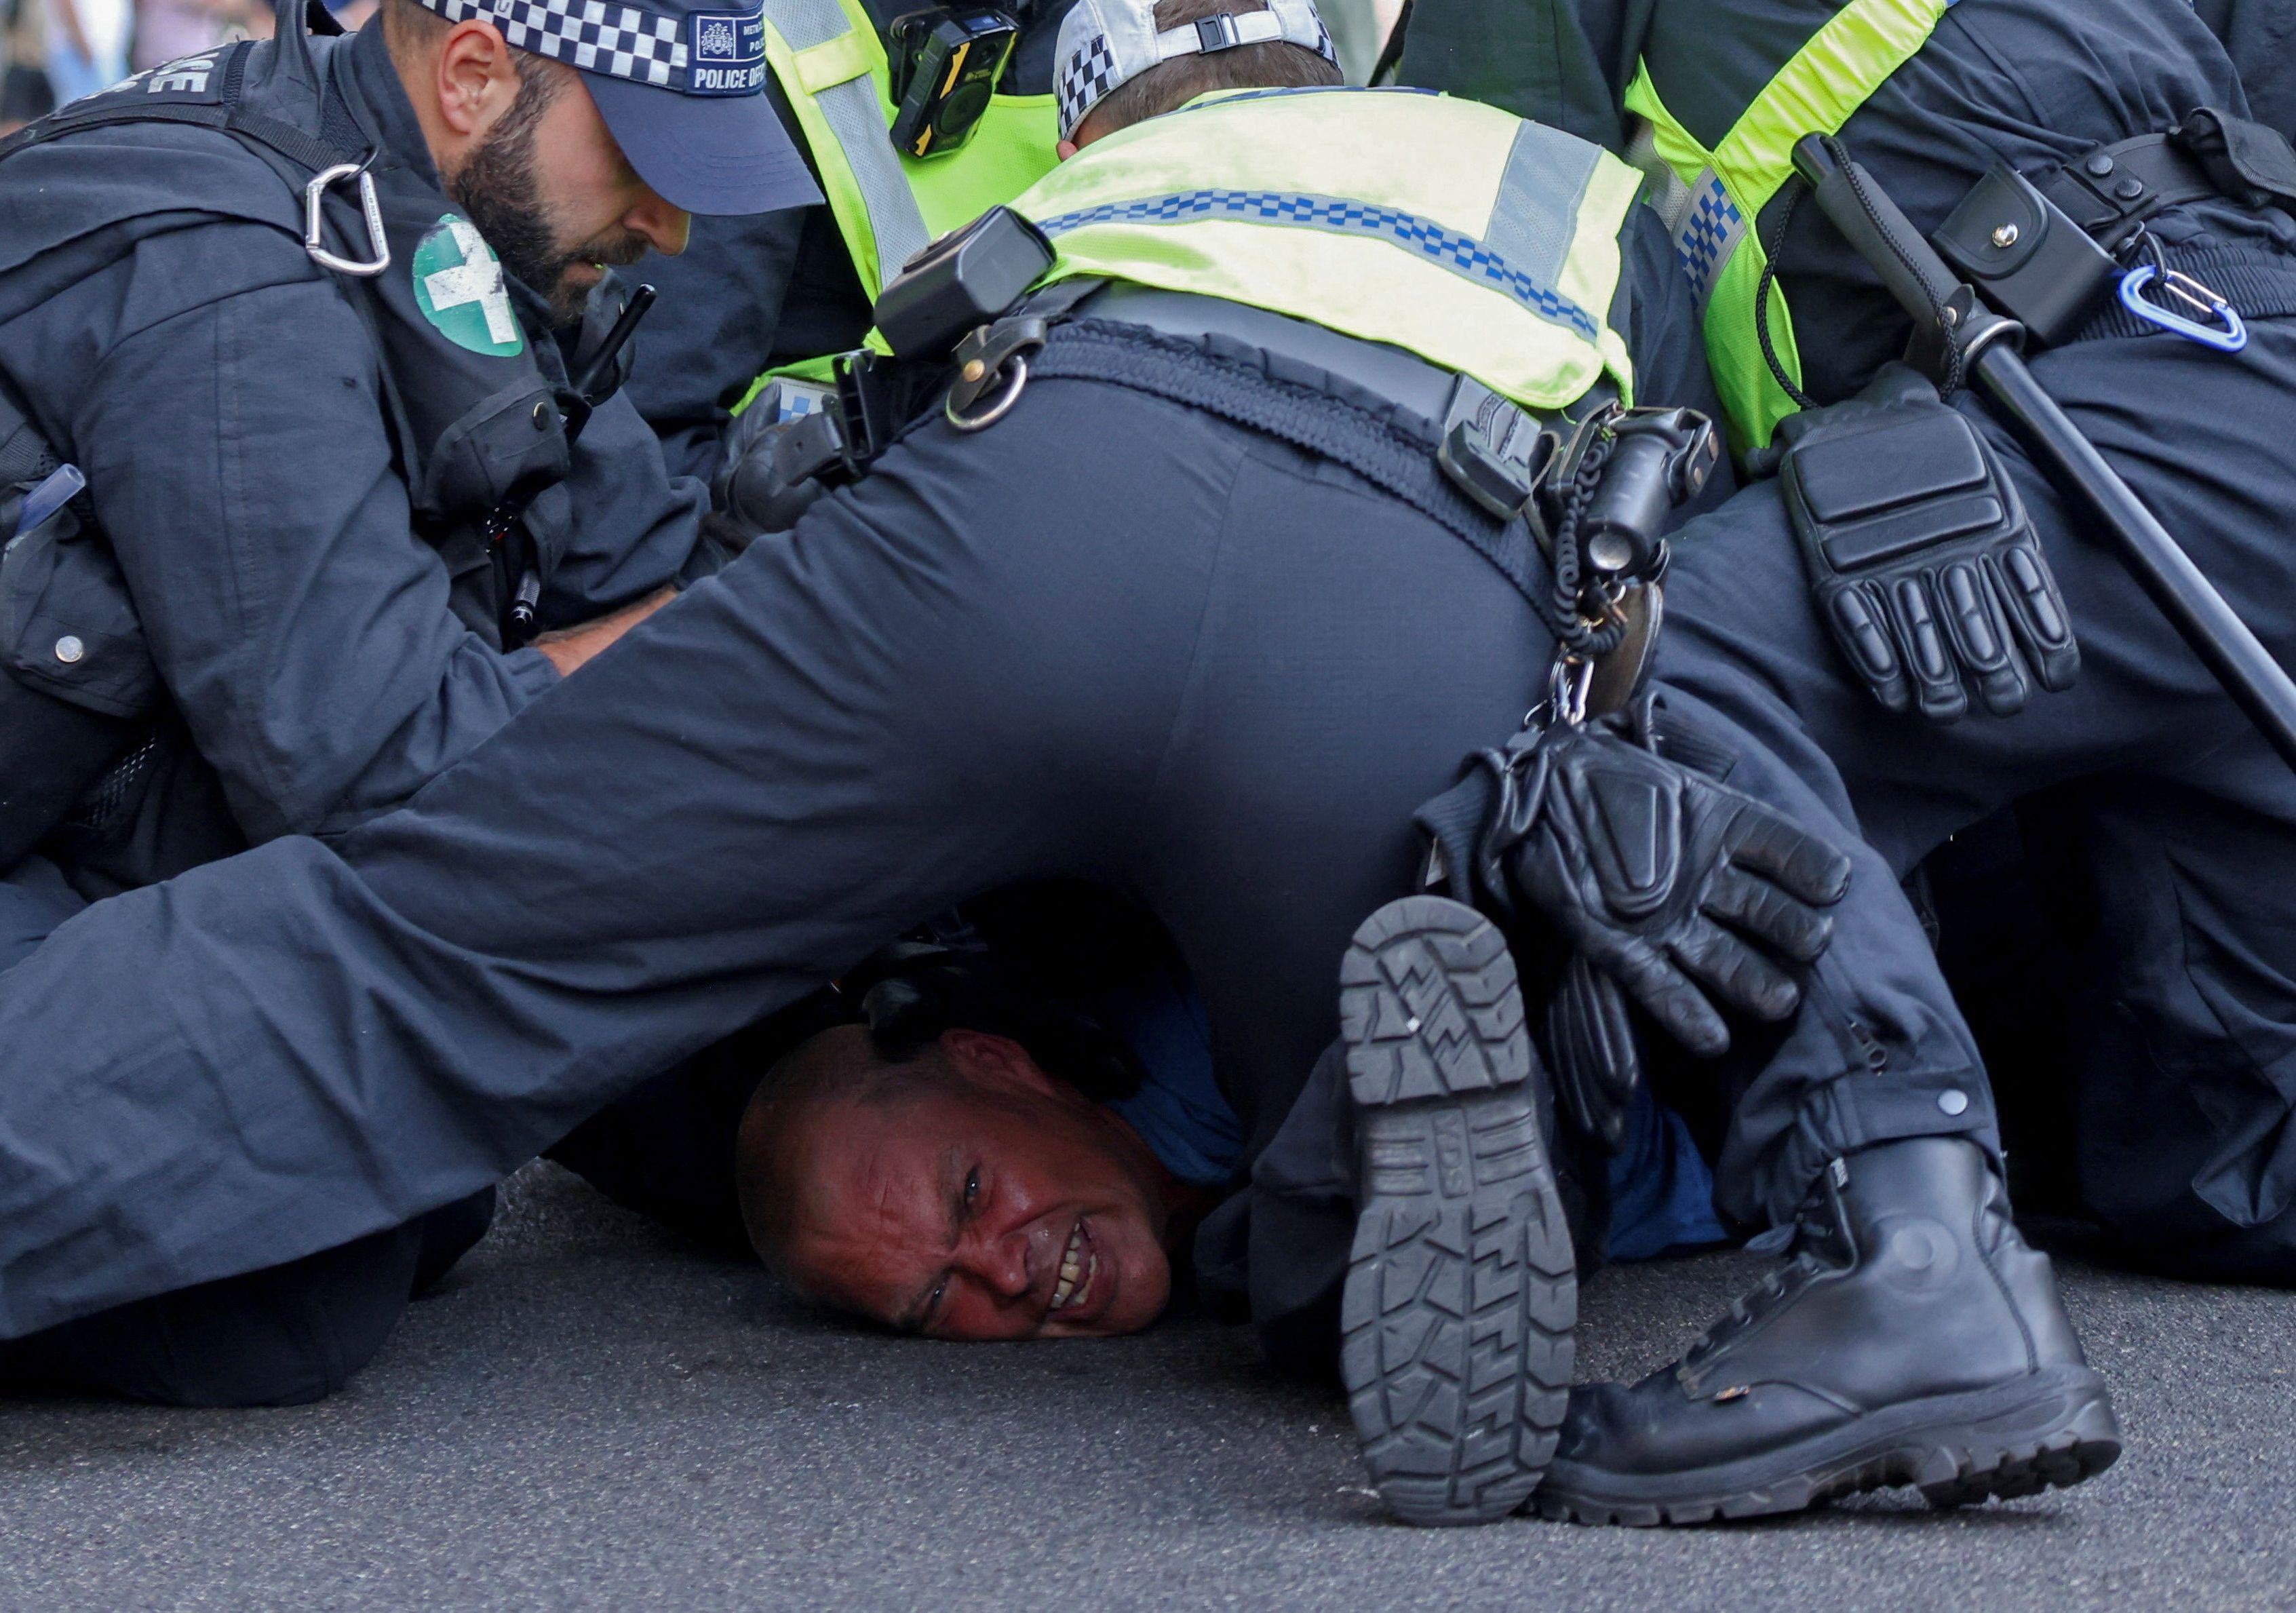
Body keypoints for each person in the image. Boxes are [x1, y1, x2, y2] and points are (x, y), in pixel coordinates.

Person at [0, 0, 2154, 1529]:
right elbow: (1704, 504)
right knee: (1489, 988)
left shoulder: (1082, 203)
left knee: (410, 966)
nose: (672, 229)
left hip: (1036, 491)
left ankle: (1375, 1170)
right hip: (1435, 556)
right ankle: (1476, 1221)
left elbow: (832, 447)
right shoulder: (1573, 186)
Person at [1390, 0, 2296, 1523]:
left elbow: (1475, 235)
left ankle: (1908, 1261)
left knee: (1643, 666)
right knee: (2218, 1154)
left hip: (2106, 387)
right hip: (2229, 384)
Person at [0, 0, 819, 1405]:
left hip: (126, 833)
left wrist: (786, 556)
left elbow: (622, 563)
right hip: (58, 824)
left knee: (398, 1190)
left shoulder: (443, 215)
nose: (675, 227)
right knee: (289, 1291)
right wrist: (713, 631)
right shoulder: (227, 268)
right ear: (473, 72)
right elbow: (382, 769)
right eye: (642, 158)